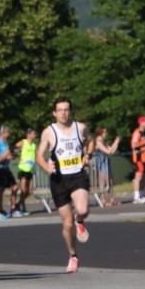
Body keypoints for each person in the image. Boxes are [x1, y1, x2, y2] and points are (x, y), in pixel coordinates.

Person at [36, 96, 93, 273]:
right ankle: (73, 255)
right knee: (67, 225)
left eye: (66, 109)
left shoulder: (80, 127)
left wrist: (87, 155)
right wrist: (46, 166)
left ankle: (80, 220)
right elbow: (39, 155)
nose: (63, 113)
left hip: (77, 175)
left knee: (82, 209)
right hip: (59, 180)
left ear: (71, 111)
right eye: (60, 110)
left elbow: (91, 141)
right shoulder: (49, 132)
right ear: (54, 113)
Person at [0, 125, 17, 218]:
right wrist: (5, 157)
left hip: (6, 167)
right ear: (3, 133)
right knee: (0, 191)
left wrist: (11, 156)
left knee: (15, 187)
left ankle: (13, 208)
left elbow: (7, 154)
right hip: (0, 168)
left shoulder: (5, 142)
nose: (9, 134)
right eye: (7, 133)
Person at [94, 127, 121, 205]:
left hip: (106, 163)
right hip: (101, 163)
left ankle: (112, 199)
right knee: (102, 182)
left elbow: (111, 151)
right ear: (100, 133)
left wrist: (116, 143)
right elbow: (108, 151)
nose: (107, 134)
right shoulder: (98, 142)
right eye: (105, 132)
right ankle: (102, 200)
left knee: (110, 181)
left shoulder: (103, 142)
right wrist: (115, 142)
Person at [14, 127, 38, 215]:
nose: (35, 135)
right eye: (33, 133)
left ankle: (18, 204)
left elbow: (37, 155)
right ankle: (23, 207)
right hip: (23, 169)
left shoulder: (34, 145)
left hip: (30, 170)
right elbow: (13, 148)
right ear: (28, 135)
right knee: (23, 190)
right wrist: (18, 156)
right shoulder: (23, 142)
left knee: (29, 191)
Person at [131, 115, 145, 203]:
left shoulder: (143, 133)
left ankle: (141, 195)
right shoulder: (137, 132)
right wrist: (144, 142)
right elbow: (133, 145)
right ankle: (136, 197)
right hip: (138, 157)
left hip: (144, 158)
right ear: (141, 123)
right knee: (138, 177)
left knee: (143, 176)